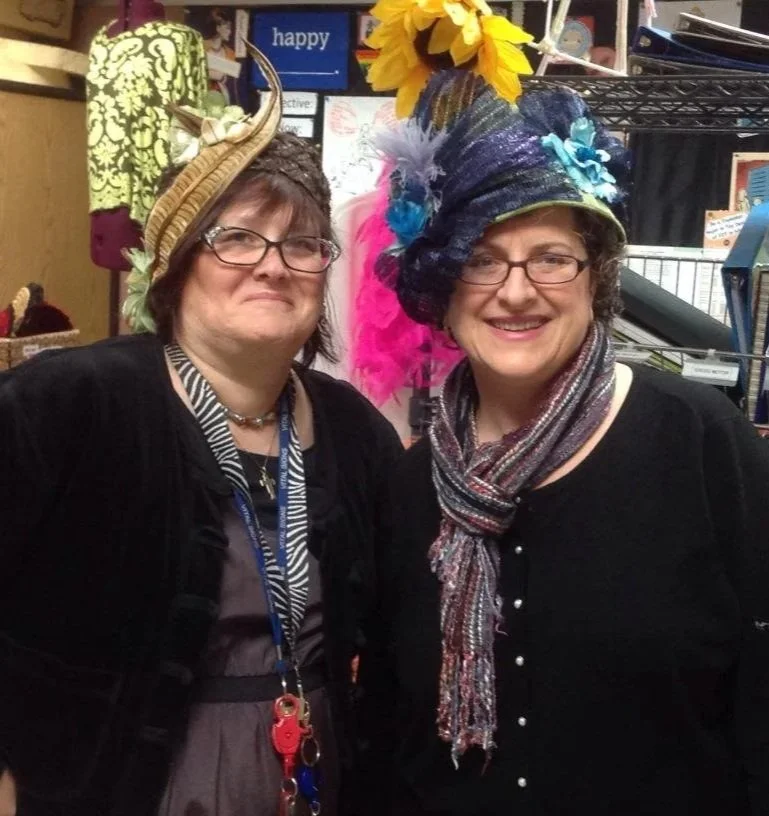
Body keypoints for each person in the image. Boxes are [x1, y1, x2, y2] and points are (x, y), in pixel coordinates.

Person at [356, 4, 769, 814]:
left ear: (595, 278)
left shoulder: (702, 448)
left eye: (550, 257)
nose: (514, 291)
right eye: (481, 260)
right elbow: (387, 731)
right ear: (442, 287)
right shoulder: (411, 492)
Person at [0, 47, 401, 816]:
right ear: (181, 261)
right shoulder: (71, 405)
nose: (273, 266)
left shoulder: (354, 434)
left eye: (303, 244)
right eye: (239, 238)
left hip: (310, 782)